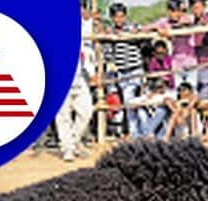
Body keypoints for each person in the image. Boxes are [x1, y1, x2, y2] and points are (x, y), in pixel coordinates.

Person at [56, 3, 96, 161]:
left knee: (86, 112)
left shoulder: (82, 27)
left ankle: (73, 142)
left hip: (79, 79)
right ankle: (68, 149)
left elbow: (87, 49)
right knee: (63, 116)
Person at [103, 2, 144, 136]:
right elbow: (108, 55)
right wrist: (109, 40)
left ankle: (136, 133)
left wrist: (135, 33)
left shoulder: (133, 27)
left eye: (121, 16)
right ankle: (136, 132)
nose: (119, 20)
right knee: (129, 103)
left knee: (131, 100)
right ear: (112, 18)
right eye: (116, 17)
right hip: (122, 72)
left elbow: (143, 33)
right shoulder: (111, 33)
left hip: (135, 69)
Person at [150, 1, 198, 88]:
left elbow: (187, 21)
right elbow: (146, 28)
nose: (177, 14)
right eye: (174, 11)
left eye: (178, 11)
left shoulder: (186, 18)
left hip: (191, 62)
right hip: (176, 63)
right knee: (179, 90)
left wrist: (170, 30)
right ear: (169, 12)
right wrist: (157, 28)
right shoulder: (165, 22)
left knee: (193, 88)